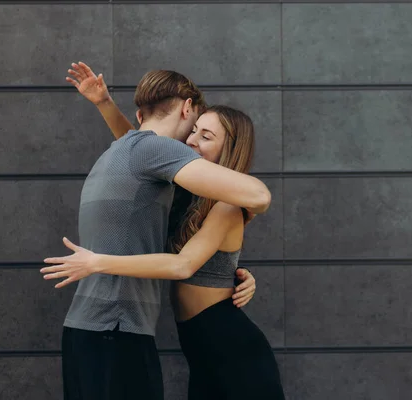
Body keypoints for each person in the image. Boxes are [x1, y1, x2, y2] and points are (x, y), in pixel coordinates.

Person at [52, 62, 271, 400]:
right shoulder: (173, 184)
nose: (192, 141)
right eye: (194, 128)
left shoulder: (216, 201)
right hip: (169, 343)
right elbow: (139, 148)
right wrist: (106, 106)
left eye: (206, 135)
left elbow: (257, 197)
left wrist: (98, 262)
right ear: (187, 108)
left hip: (224, 344)